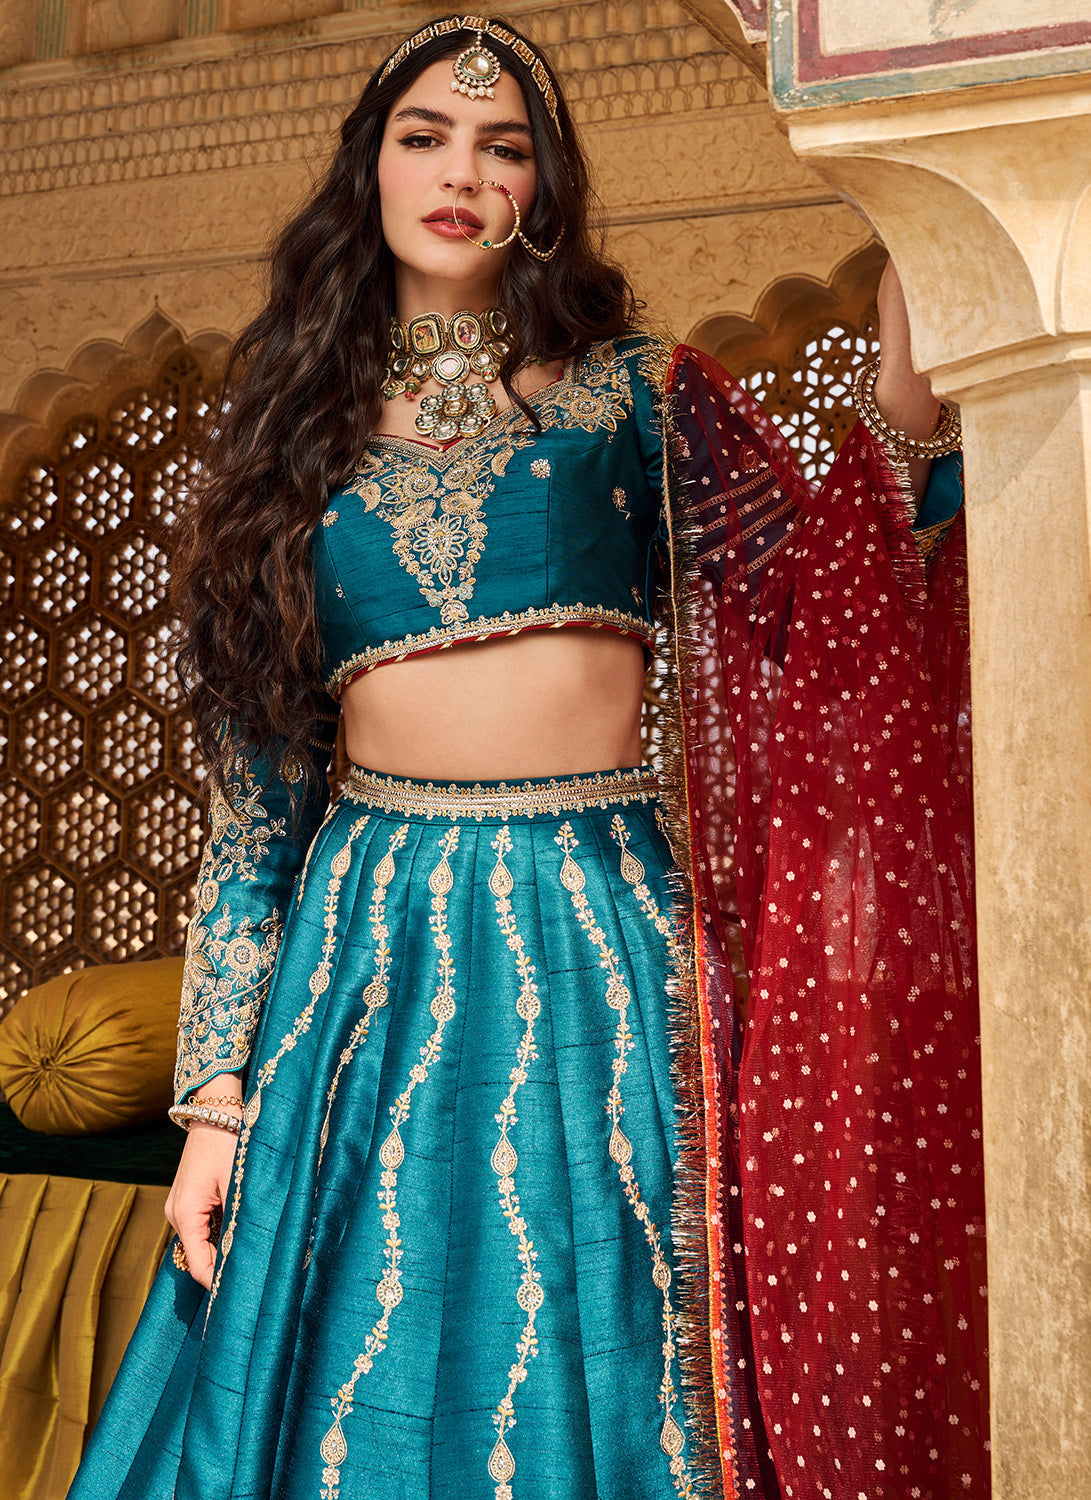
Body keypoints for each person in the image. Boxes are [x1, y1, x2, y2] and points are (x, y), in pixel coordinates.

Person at [69, 15, 987, 1500]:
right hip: (367, 955)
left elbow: (812, 610)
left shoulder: (639, 395)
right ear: (367, 169)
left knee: (616, 1321)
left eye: (504, 149)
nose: (461, 175)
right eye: (424, 138)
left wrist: (907, 382)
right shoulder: (289, 438)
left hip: (602, 924)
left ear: (544, 190)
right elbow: (257, 824)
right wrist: (216, 1107)